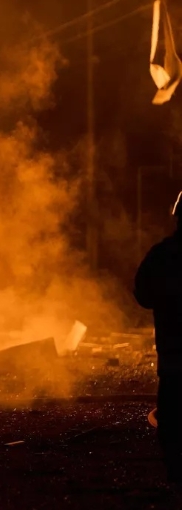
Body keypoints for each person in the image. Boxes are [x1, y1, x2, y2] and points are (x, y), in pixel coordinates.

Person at [134, 191, 182, 483]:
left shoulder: (162, 255)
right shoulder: (162, 255)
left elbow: (143, 294)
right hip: (174, 353)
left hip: (174, 354)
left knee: (174, 418)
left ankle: (176, 475)